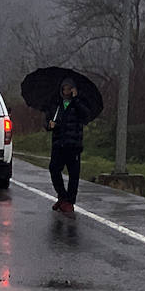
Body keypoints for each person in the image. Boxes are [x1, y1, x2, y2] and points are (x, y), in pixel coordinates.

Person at [46, 77, 92, 218]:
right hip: (58, 144)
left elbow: (86, 116)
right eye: (64, 88)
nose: (66, 91)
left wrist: (76, 100)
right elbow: (48, 119)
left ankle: (70, 201)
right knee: (54, 169)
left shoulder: (78, 104)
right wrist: (49, 125)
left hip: (73, 145)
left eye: (69, 88)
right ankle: (62, 196)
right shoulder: (56, 104)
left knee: (74, 174)